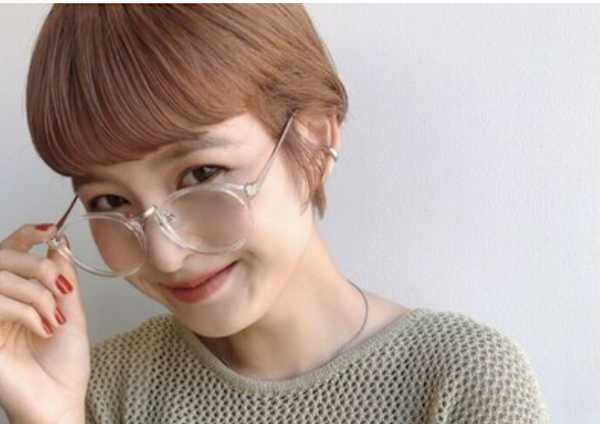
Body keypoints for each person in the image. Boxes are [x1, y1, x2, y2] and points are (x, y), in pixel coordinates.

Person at [0, 4, 550, 424]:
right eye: (109, 202)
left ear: (316, 142)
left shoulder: (459, 380)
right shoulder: (97, 390)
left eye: (201, 174)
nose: (164, 254)